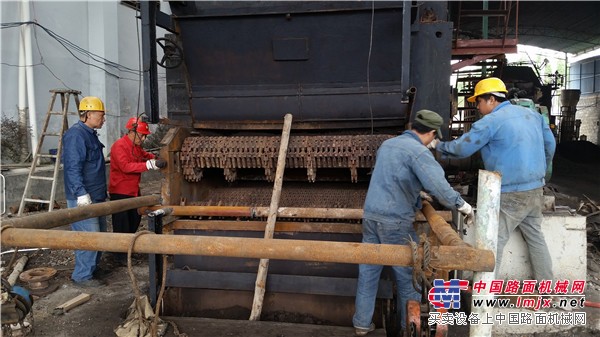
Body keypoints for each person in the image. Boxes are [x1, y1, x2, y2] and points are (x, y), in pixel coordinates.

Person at [353, 109, 474, 336]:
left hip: (371, 217)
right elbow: (439, 187)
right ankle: (407, 330)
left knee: (368, 273)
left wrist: (417, 197)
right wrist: (463, 206)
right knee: (410, 280)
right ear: (429, 133)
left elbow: (394, 179)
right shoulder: (418, 152)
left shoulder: (387, 145)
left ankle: (361, 324)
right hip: (395, 222)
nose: (433, 142)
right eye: (434, 138)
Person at [433, 77, 556, 283]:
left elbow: (463, 148)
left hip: (510, 191)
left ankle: (485, 294)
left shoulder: (491, 121)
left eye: (479, 102)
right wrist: (541, 171)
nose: (478, 108)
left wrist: (438, 146)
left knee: (494, 240)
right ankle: (547, 287)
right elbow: (550, 146)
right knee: (535, 237)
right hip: (535, 188)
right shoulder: (532, 115)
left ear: (491, 99)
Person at [62, 96, 108, 287]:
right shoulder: (76, 135)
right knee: (87, 238)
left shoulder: (89, 133)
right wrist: (80, 193)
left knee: (99, 236)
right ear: (88, 114)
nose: (103, 119)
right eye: (101, 115)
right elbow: (73, 167)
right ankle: (82, 276)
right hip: (83, 197)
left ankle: (91, 269)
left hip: (96, 195)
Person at [108, 117, 166, 265]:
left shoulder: (136, 146)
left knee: (134, 219)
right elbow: (126, 167)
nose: (144, 138)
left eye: (145, 135)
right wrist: (148, 165)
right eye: (142, 134)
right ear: (132, 132)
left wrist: (159, 159)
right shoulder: (119, 146)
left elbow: (146, 155)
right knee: (122, 224)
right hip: (120, 191)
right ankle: (120, 256)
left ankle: (127, 250)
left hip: (133, 191)